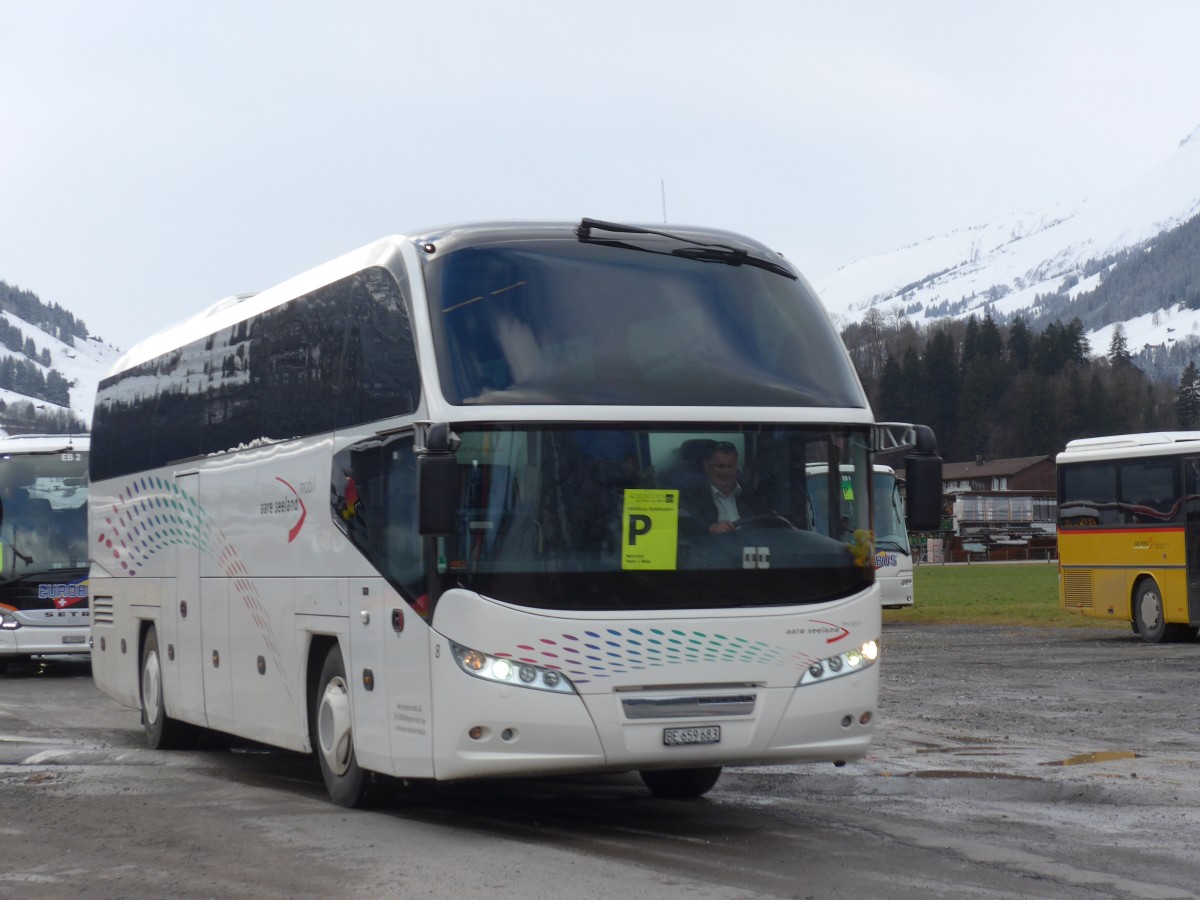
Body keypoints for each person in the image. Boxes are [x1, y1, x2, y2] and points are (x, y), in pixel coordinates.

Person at [681, 441, 765, 534]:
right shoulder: (692, 497)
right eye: (720, 466)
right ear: (707, 468)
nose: (726, 472)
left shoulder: (751, 495)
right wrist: (710, 528)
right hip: (712, 546)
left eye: (731, 466)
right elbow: (684, 526)